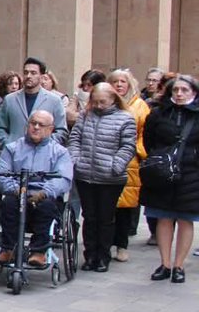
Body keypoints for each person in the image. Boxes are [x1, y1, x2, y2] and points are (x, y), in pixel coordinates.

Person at [68, 83, 136, 272]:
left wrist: (115, 165)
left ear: (113, 99)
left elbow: (128, 147)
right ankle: (90, 255)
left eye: (102, 102)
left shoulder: (125, 119)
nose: (98, 105)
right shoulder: (85, 116)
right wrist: (76, 160)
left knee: (105, 218)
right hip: (85, 175)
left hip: (110, 178)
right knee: (89, 217)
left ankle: (103, 256)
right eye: (95, 101)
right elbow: (74, 140)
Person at [0, 111, 74, 268]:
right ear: (27, 125)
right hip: (18, 194)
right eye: (33, 123)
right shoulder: (12, 148)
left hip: (44, 196)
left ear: (51, 129)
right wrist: (16, 190)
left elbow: (63, 179)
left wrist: (43, 193)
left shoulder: (60, 152)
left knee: (47, 207)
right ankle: (8, 249)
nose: (36, 127)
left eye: (41, 125)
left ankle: (39, 251)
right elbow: (1, 174)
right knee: (8, 204)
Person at [141, 75, 199, 283]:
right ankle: (165, 263)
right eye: (176, 90)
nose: (180, 94)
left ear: (194, 92)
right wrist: (161, 161)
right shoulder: (158, 114)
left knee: (185, 219)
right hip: (162, 174)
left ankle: (179, 265)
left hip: (191, 174)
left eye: (185, 90)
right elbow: (149, 141)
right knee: (163, 217)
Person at [110, 69, 151, 263]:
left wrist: (137, 150)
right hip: (105, 158)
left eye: (122, 82)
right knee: (106, 205)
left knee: (125, 206)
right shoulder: (104, 102)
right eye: (115, 81)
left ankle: (122, 244)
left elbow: (146, 133)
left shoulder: (140, 106)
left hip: (130, 161)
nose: (119, 85)